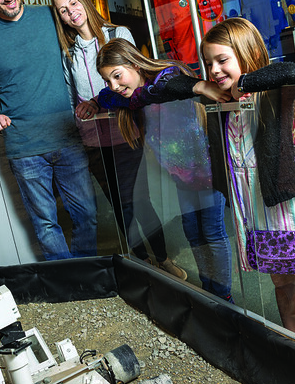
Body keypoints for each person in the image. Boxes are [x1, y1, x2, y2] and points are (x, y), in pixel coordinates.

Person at [149, 17, 295, 344]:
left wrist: (244, 82)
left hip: (286, 211)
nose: (215, 69)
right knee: (280, 283)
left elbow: (292, 71)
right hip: (254, 213)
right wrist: (200, 85)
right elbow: (163, 87)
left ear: (245, 55)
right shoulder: (220, 99)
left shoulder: (271, 96)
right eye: (208, 63)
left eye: (222, 60)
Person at [0, 0, 97, 261]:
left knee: (87, 214)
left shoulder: (50, 16)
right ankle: (65, 281)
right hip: (24, 146)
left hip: (67, 135)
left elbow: (87, 39)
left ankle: (86, 273)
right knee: (46, 224)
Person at [78, 38, 232, 299]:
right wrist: (96, 100)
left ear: (135, 65)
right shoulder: (129, 96)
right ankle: (210, 293)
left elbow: (168, 88)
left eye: (117, 76)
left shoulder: (167, 74)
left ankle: (224, 295)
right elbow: (107, 96)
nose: (114, 86)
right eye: (108, 80)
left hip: (208, 172)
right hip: (181, 178)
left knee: (213, 234)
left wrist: (199, 86)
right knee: (193, 234)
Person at [53, 0, 186, 279]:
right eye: (63, 10)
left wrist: (102, 101)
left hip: (125, 131)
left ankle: (162, 259)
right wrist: (83, 110)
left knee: (138, 199)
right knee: (118, 204)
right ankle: (141, 261)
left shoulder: (118, 34)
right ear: (60, 18)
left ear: (85, 3)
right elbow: (71, 94)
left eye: (73, 4)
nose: (71, 12)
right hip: (92, 140)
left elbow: (134, 81)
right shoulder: (68, 53)